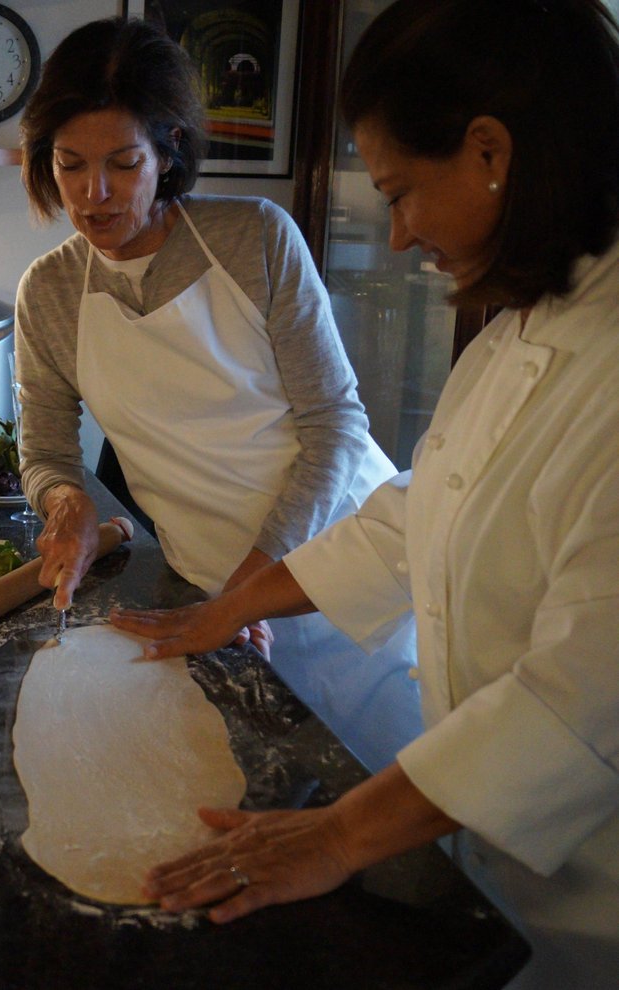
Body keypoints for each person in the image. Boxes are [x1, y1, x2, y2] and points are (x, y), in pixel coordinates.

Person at [111, 0, 619, 985]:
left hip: (599, 912)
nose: (395, 236)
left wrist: (339, 835)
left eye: (402, 192)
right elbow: (415, 514)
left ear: (489, 151)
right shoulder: (522, 325)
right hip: (501, 872)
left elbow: (585, 694)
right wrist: (230, 607)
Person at [13, 17, 420, 770]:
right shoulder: (50, 290)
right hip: (208, 593)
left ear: (167, 154)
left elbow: (335, 425)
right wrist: (66, 509)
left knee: (397, 817)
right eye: (70, 165)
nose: (93, 195)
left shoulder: (255, 240)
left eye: (123, 165)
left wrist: (248, 591)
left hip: (350, 569)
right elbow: (44, 449)